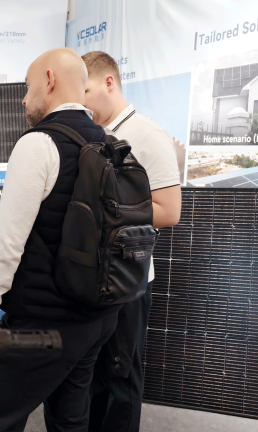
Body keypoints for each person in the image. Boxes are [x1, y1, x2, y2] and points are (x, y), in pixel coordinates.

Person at [0, 48, 122, 432]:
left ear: (49, 80)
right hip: (97, 317)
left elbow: (7, 241)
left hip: (40, 323)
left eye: (28, 86)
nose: (24, 99)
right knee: (69, 421)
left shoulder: (38, 143)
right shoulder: (109, 143)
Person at [81, 51, 182, 432]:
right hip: (92, 277)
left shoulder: (147, 134)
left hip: (128, 279)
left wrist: (109, 211)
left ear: (109, 82)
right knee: (92, 377)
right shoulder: (91, 135)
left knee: (120, 378)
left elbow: (169, 211)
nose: (81, 101)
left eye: (86, 90)